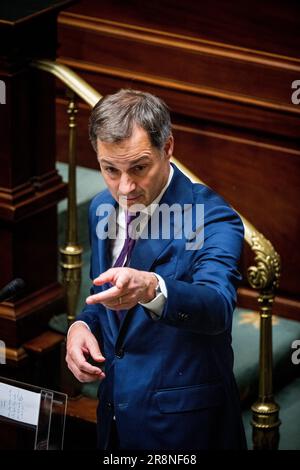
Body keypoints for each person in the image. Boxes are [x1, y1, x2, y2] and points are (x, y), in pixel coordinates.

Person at [66, 89, 247, 450]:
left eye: (138, 167)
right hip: (115, 420)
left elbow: (216, 306)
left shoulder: (212, 217)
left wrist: (152, 289)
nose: (125, 188)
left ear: (167, 148)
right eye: (110, 170)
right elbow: (102, 296)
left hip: (183, 429)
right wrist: (83, 324)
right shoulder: (102, 206)